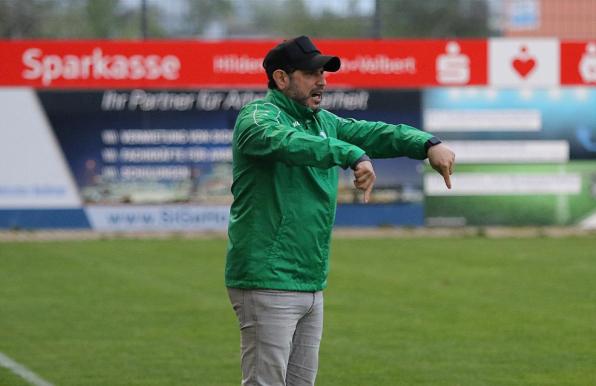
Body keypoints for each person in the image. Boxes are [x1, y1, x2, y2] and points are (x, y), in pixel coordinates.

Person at [225, 35, 455, 386]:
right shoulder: (256, 118)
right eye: (311, 72)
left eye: (324, 72)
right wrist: (351, 154)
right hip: (266, 278)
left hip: (310, 281)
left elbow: (376, 134)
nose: (322, 80)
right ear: (281, 79)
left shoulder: (323, 122)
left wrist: (427, 144)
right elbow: (288, 142)